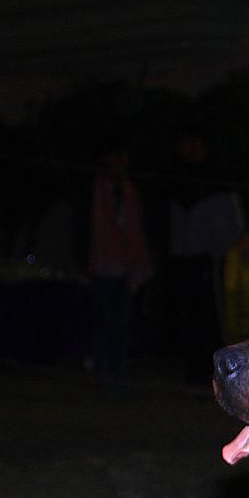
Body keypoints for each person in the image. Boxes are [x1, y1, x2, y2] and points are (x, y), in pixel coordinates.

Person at [163, 129, 245, 388]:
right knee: (186, 317)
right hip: (182, 259)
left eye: (194, 144)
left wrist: (219, 253)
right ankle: (192, 373)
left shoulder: (218, 182)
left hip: (211, 262)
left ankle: (214, 376)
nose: (189, 150)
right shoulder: (174, 180)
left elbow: (234, 226)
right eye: (185, 144)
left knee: (212, 319)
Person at [87, 143, 150, 392]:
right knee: (105, 320)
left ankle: (118, 370)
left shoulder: (129, 191)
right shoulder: (97, 190)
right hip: (102, 264)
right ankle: (104, 371)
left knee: (122, 321)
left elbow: (135, 228)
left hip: (126, 266)